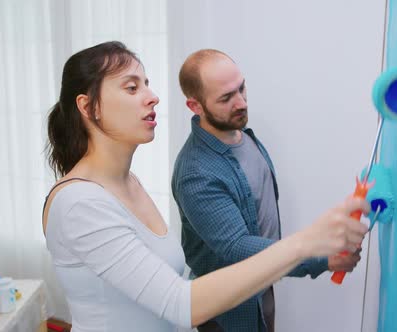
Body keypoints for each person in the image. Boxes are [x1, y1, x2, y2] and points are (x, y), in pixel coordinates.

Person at [42, 41, 369, 332]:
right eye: (131, 88)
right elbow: (180, 304)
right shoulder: (79, 204)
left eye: (147, 84)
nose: (152, 97)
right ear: (88, 107)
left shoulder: (131, 183)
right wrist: (309, 245)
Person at [172, 49, 364, 332]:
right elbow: (237, 246)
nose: (241, 103)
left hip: (261, 288)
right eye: (226, 98)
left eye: (242, 88)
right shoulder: (196, 173)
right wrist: (320, 258)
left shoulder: (240, 134)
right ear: (195, 106)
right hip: (228, 312)